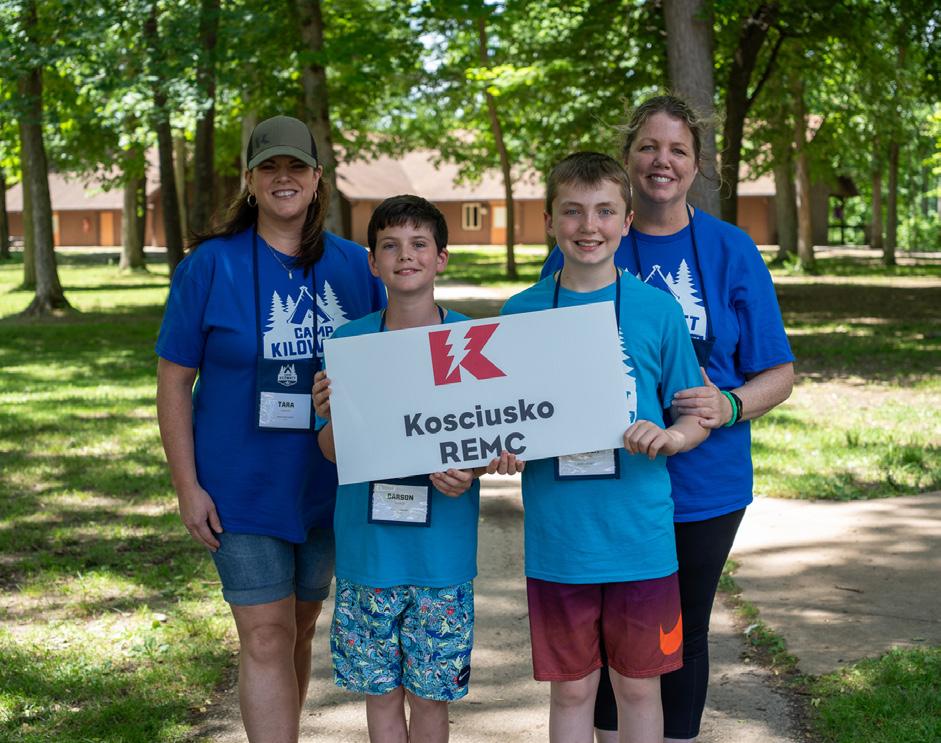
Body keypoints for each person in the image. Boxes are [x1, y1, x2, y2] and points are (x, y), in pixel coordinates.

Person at [541, 96, 795, 743]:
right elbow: (537, 363)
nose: (662, 160)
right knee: (602, 634)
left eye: (677, 149)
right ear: (627, 158)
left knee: (678, 630)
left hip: (704, 482)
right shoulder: (589, 239)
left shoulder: (731, 249)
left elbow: (778, 371)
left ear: (696, 165)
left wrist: (729, 403)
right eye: (648, 147)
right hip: (606, 486)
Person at [155, 115, 386, 743]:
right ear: (251, 179)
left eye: (296, 166)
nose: (284, 178)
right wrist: (187, 487)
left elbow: (397, 360)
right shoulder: (210, 266)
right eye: (269, 167)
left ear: (317, 177)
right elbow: (174, 381)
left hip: (327, 484)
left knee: (302, 627)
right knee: (265, 633)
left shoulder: (356, 267)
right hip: (240, 488)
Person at [502, 152, 709, 743]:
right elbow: (503, 419)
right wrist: (505, 449)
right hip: (560, 541)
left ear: (626, 221)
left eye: (604, 212)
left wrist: (671, 436)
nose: (588, 226)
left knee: (640, 687)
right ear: (549, 220)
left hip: (639, 538)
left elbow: (694, 414)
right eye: (572, 211)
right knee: (571, 690)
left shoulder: (657, 310)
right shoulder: (519, 314)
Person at [313, 195, 522, 743]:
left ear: (441, 258)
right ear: (372, 262)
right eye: (390, 245)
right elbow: (331, 451)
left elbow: (488, 437)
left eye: (419, 244)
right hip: (368, 555)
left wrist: (474, 471)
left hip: (440, 559)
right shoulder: (349, 344)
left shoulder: (474, 342)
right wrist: (332, 415)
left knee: (431, 698)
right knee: (381, 696)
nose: (405, 256)